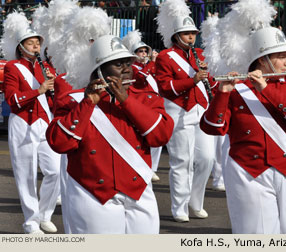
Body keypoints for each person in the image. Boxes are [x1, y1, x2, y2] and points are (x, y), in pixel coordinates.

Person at [46, 35, 174, 233]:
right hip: (93, 192)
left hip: (139, 190)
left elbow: (160, 136)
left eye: (127, 63)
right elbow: (59, 143)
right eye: (116, 64)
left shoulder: (145, 96)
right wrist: (88, 103)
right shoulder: (73, 100)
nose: (126, 68)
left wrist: (126, 100)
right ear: (99, 71)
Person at [200, 24, 286, 233]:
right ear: (262, 59)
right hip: (248, 171)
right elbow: (212, 127)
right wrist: (223, 93)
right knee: (255, 233)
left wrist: (265, 88)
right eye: (281, 56)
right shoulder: (237, 90)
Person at [156, 0, 217, 223]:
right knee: (182, 160)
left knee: (206, 159)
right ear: (176, 36)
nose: (191, 37)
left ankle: (195, 201)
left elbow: (210, 82)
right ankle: (179, 206)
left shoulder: (199, 54)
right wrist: (191, 80)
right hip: (178, 111)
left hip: (201, 110)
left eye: (192, 33)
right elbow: (165, 87)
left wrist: (218, 80)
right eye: (186, 33)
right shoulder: (165, 57)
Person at [2, 12, 60, 234]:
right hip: (22, 122)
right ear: (21, 46)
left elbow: (56, 94)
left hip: (44, 122)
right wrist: (38, 90)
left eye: (38, 42)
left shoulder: (45, 67)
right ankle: (30, 222)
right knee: (25, 175)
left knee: (54, 171)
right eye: (31, 42)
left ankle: (44, 215)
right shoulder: (12, 67)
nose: (36, 46)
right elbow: (12, 100)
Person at [122, 30, 162, 182]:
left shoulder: (152, 66)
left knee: (157, 135)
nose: (144, 53)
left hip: (155, 102)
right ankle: (142, 166)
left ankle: (153, 168)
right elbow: (141, 78)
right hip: (141, 103)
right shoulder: (133, 68)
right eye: (141, 51)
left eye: (146, 50)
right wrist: (151, 62)